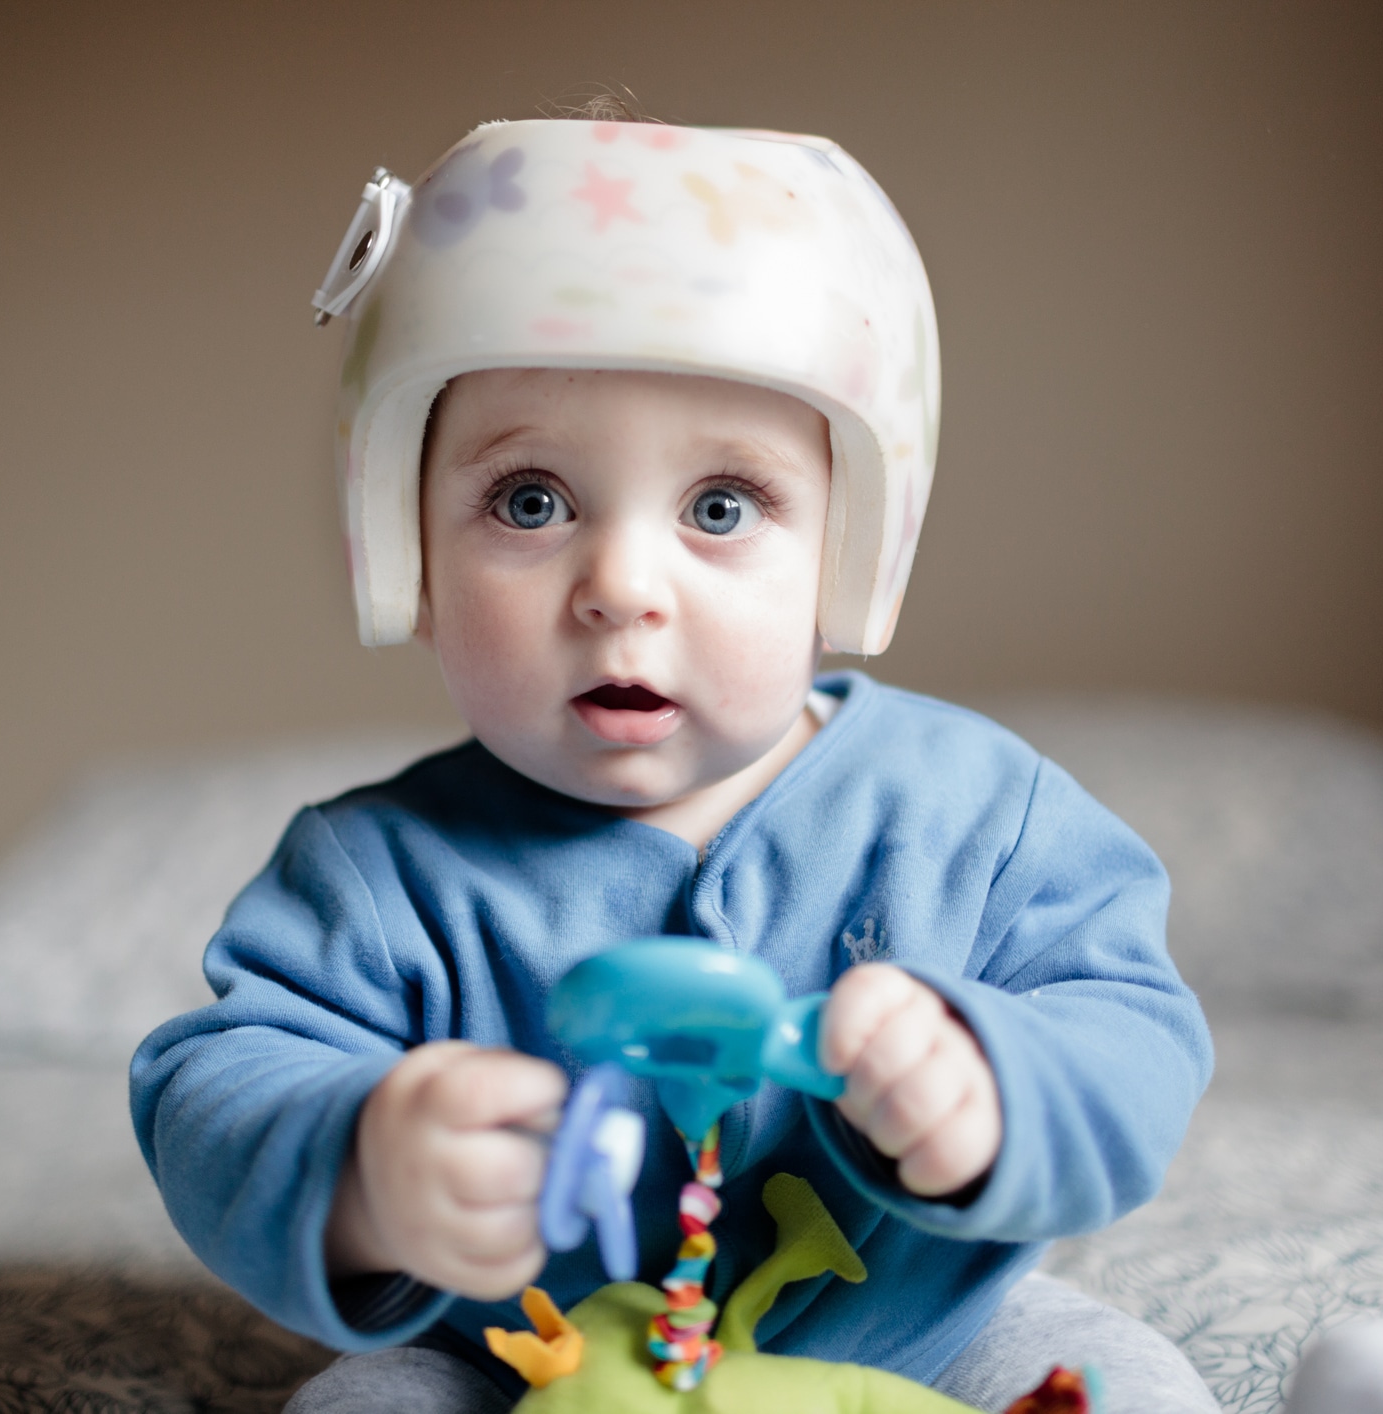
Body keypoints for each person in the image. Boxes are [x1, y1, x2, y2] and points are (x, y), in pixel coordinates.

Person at [130, 111, 1218, 1414]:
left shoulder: (979, 814)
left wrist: (987, 1084)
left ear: (848, 552)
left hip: (920, 1349)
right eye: (529, 501)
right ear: (401, 548)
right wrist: (364, 1166)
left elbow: (1136, 1037)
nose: (621, 587)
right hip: (512, 1364)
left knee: (1122, 1384)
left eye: (719, 507)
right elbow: (214, 1087)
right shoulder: (366, 874)